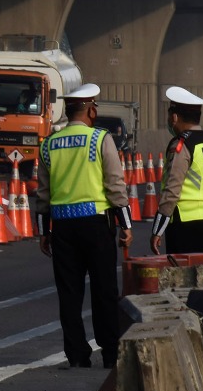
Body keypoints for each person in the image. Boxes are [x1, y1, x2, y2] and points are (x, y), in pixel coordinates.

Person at [33, 83, 131, 369]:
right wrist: (125, 225)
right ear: (91, 110)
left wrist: (44, 232)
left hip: (63, 227)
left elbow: (43, 194)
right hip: (96, 225)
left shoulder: (49, 144)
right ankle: (110, 353)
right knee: (104, 291)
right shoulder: (100, 139)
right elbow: (115, 185)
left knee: (69, 293)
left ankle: (77, 354)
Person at [151, 86, 203, 259]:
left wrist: (157, 230)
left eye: (170, 115)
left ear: (175, 117)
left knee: (183, 281)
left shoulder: (181, 145)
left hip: (185, 224)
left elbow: (172, 190)